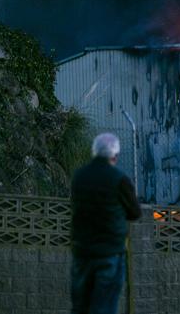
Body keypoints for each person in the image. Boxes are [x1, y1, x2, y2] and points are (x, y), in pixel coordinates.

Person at [70, 133, 142, 314]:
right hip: (109, 252)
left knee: (80, 307)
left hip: (82, 251)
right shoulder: (119, 179)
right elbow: (135, 212)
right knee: (104, 307)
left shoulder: (79, 177)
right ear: (115, 155)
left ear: (94, 152)